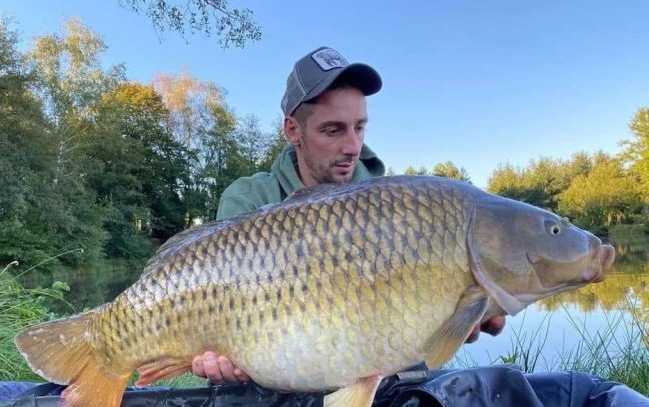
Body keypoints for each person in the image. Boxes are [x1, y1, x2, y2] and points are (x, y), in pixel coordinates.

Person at [191, 47, 506, 383]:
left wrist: (456, 321)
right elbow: (216, 312)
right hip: (277, 391)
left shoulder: (397, 209)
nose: (353, 146)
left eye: (360, 127)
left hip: (377, 385)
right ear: (293, 131)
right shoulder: (250, 201)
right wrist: (217, 357)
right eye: (333, 130)